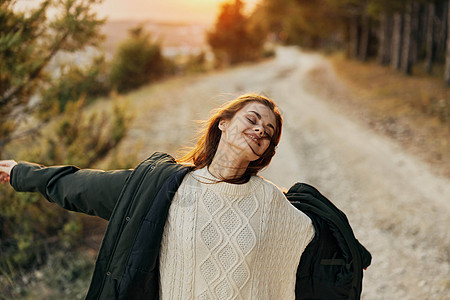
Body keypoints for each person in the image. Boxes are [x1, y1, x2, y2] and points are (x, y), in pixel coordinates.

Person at [0, 94, 315, 299]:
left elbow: (318, 241)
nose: (261, 130)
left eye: (269, 132)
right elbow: (81, 185)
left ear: (265, 151)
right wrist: (20, 173)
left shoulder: (272, 203)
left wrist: (355, 256)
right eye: (253, 119)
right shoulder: (163, 185)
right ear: (224, 122)